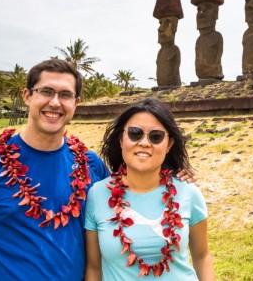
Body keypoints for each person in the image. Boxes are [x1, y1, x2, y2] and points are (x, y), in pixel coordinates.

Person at [0, 59, 110, 280]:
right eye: (46, 91)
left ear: (76, 102)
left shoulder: (91, 165)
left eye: (65, 95)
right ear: (27, 96)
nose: (55, 103)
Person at [84, 99, 214, 280]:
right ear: (121, 139)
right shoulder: (98, 194)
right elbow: (94, 267)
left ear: (168, 145)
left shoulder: (188, 192)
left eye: (156, 136)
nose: (144, 142)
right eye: (135, 133)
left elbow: (202, 256)